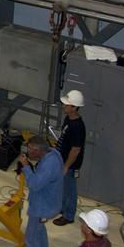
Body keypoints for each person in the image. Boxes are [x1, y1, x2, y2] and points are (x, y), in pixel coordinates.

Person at [13, 136, 64, 247]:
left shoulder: (49, 165)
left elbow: (35, 184)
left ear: (38, 150)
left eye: (30, 149)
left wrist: (26, 167)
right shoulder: (53, 154)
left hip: (42, 206)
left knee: (31, 238)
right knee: (40, 231)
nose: (27, 152)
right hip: (50, 202)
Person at [53, 89, 87, 226]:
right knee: (63, 187)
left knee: (70, 189)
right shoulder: (68, 119)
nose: (64, 106)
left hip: (70, 164)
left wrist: (66, 166)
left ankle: (68, 215)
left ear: (74, 108)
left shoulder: (78, 126)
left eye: (67, 105)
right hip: (62, 160)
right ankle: (62, 208)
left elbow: (76, 149)